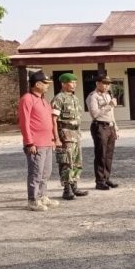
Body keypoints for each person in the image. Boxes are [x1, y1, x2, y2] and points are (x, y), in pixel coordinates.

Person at [18, 72, 59, 211]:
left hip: (47, 142)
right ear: (37, 84)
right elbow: (24, 123)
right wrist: (29, 143)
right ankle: (33, 200)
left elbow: (48, 121)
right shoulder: (27, 99)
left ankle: (42, 196)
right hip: (36, 144)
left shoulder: (44, 100)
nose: (48, 86)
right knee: (36, 173)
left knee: (46, 172)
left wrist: (53, 138)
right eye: (46, 83)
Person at [51, 73, 88, 201]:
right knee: (66, 162)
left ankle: (74, 186)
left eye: (75, 82)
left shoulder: (75, 98)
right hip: (65, 135)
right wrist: (56, 137)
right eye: (72, 82)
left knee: (77, 162)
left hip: (76, 135)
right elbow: (53, 120)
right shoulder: (59, 99)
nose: (74, 85)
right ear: (64, 83)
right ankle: (66, 189)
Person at [87, 75, 120, 191]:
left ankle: (106, 178)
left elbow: (111, 113)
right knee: (101, 154)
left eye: (108, 83)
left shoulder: (107, 95)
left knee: (109, 155)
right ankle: (100, 181)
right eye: (104, 83)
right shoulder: (93, 96)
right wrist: (109, 105)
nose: (106, 86)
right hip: (100, 126)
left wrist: (115, 126)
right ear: (97, 83)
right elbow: (94, 114)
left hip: (109, 126)